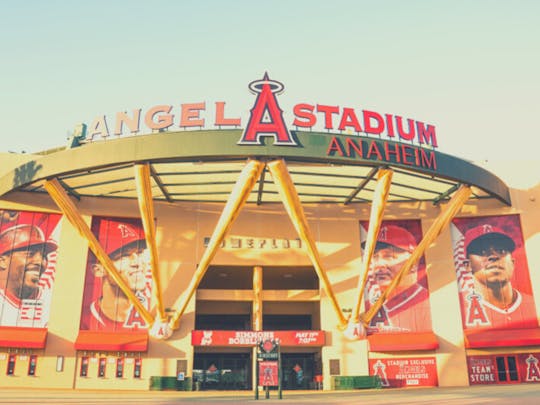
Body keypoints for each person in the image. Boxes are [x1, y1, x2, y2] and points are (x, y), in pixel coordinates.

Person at [462, 224, 537, 329]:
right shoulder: (458, 309)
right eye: (482, 251)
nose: (494, 256)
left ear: (512, 262)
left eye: (501, 251)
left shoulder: (536, 304)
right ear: (468, 265)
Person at [81, 220, 151, 331]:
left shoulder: (154, 314)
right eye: (123, 256)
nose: (137, 263)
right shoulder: (84, 322)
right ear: (98, 270)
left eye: (139, 252)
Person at [363, 224, 431, 333]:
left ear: (413, 263)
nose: (379, 264)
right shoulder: (365, 305)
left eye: (389, 256)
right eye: (375, 257)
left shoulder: (428, 304)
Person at [0, 224, 57, 326]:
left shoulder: (54, 302)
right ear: (3, 261)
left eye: (44, 256)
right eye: (30, 254)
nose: (40, 262)